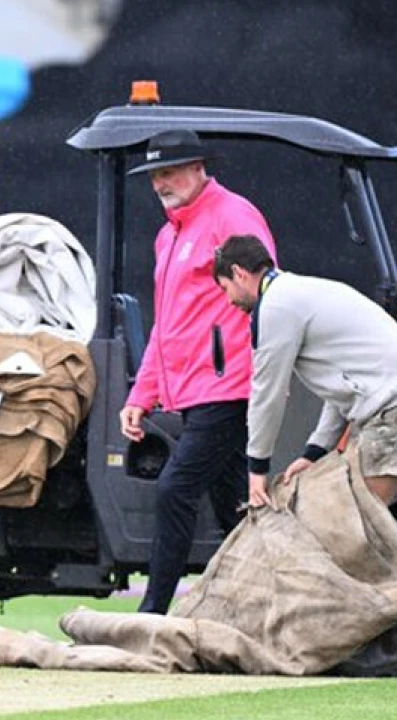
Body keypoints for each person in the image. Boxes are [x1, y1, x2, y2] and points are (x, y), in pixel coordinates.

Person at [118, 129, 277, 614]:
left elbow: (267, 293)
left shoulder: (232, 215)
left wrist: (256, 374)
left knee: (175, 490)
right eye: (154, 175)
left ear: (198, 167)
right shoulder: (169, 234)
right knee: (237, 510)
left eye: (168, 171)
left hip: (226, 388)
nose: (160, 183)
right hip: (196, 392)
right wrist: (141, 395)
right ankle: (265, 608)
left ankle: (153, 612)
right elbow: (168, 324)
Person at [210, 233, 397, 509]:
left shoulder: (276, 306)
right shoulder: (301, 291)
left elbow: (267, 395)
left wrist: (256, 470)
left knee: (360, 523)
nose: (229, 301)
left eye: (224, 288)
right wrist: (315, 452)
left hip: (396, 408)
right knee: (350, 519)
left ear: (239, 274)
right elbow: (343, 386)